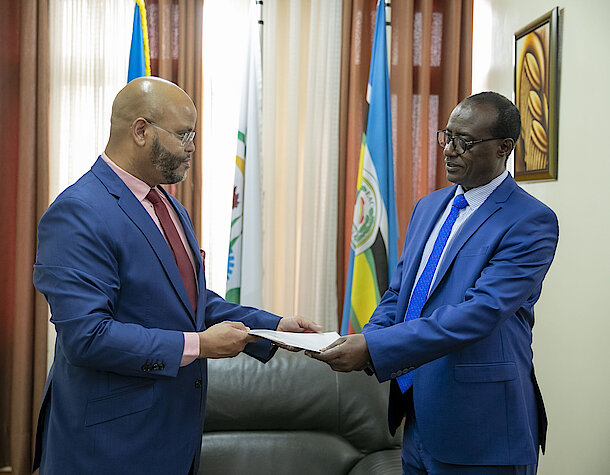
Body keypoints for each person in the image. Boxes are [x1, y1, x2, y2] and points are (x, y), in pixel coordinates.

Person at [32, 76, 321, 475]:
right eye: (184, 134)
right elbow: (88, 337)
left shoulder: (167, 204)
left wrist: (273, 328)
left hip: (173, 439)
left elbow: (189, 302)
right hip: (108, 447)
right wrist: (199, 345)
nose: (192, 147)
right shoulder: (78, 212)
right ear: (141, 131)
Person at [309, 91, 558, 474]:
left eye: (465, 141)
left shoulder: (530, 220)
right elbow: (401, 293)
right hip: (418, 418)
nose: (449, 150)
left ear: (504, 148)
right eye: (447, 136)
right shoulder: (429, 207)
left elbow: (479, 313)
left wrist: (374, 347)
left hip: (482, 427)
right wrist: (370, 338)